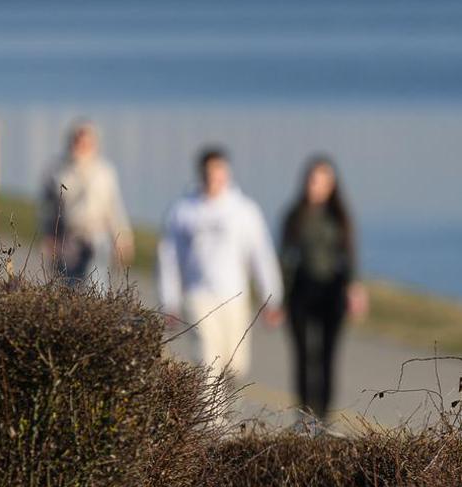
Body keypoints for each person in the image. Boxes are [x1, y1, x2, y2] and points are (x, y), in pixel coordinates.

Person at [157, 146, 285, 381]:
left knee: (236, 366)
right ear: (201, 174)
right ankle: (211, 419)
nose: (214, 178)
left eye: (219, 172)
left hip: (234, 297)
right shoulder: (183, 211)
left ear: (227, 173)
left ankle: (226, 413)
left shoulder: (244, 210)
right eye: (209, 173)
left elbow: (261, 255)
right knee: (208, 361)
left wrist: (272, 298)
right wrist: (170, 301)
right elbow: (169, 258)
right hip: (198, 297)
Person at [280, 156, 368, 421]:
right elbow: (284, 257)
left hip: (331, 293)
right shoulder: (294, 216)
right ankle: (304, 417)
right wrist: (278, 299)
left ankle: (324, 418)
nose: (315, 186)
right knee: (304, 357)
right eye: (312, 180)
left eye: (322, 181)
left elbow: (350, 255)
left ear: (332, 185)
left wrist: (354, 289)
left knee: (328, 357)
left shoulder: (339, 217)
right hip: (300, 292)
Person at [39, 120, 134, 292]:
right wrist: (48, 237)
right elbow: (47, 209)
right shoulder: (56, 171)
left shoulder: (105, 172)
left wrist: (123, 237)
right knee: (68, 288)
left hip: (97, 238)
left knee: (96, 286)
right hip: (68, 240)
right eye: (77, 140)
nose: (81, 146)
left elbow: (114, 207)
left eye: (86, 142)